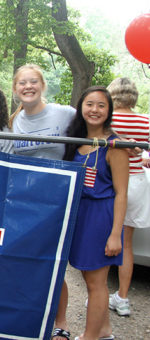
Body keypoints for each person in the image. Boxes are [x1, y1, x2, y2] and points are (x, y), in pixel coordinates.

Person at [9, 64, 76, 340]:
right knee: (25, 261)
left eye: (33, 82)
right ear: (15, 89)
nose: (28, 87)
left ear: (42, 85)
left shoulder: (65, 113)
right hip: (25, 202)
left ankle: (61, 322)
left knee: (54, 263)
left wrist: (126, 143)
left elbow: (99, 128)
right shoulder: (14, 121)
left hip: (58, 201)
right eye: (22, 83)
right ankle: (28, 317)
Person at [64, 86, 128, 340]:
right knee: (88, 277)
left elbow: (122, 193)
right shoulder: (76, 140)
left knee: (96, 283)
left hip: (101, 218)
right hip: (80, 216)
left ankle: (90, 336)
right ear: (81, 107)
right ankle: (104, 331)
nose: (95, 110)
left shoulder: (115, 146)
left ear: (109, 110)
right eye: (90, 104)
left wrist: (115, 235)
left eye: (101, 105)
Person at [106, 77, 150, 316]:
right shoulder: (145, 120)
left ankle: (100, 293)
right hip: (137, 182)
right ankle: (122, 297)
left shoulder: (109, 119)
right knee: (127, 244)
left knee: (104, 236)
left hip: (112, 182)